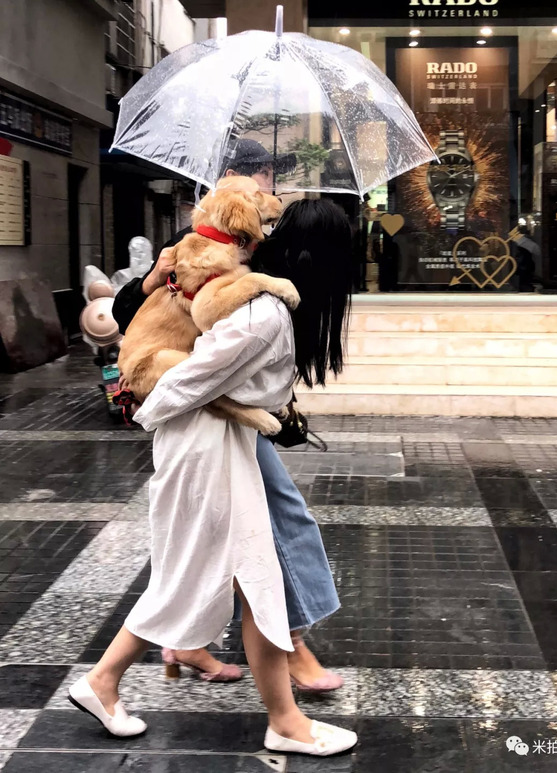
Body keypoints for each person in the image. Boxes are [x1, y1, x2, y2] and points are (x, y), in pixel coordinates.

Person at [69, 199, 356, 757]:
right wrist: (146, 413)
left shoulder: (266, 309)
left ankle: (106, 682)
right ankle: (282, 721)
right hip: (204, 448)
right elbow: (188, 381)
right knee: (231, 580)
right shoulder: (263, 314)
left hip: (221, 444)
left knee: (232, 580)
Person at [112, 143, 343, 691]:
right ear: (237, 176)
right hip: (195, 406)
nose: (269, 194)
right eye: (262, 179)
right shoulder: (203, 238)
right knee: (259, 536)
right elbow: (138, 319)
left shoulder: (256, 240)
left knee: (218, 543)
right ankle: (285, 659)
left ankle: (186, 646)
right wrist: (155, 280)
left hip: (213, 406)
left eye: (269, 182)